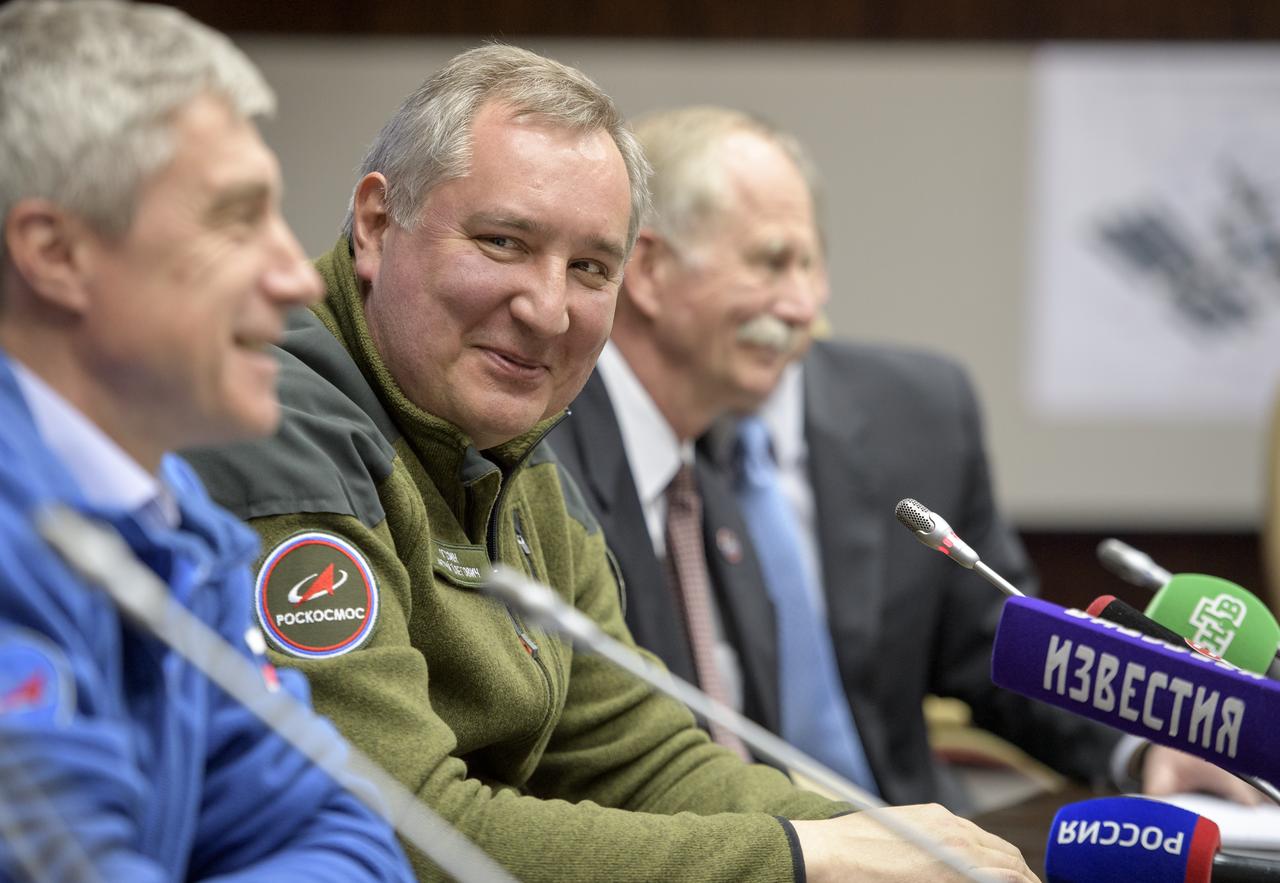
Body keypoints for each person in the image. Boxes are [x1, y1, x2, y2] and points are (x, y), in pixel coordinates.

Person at [186, 45, 1039, 882]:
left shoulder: (499, 434)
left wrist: (889, 843)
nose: (548, 309)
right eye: (503, 242)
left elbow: (641, 756)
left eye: (590, 268)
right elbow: (398, 830)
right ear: (377, 225)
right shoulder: (272, 416)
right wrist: (799, 858)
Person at [548, 105, 1262, 809]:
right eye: (771, 263)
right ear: (650, 271)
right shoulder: (588, 447)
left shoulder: (917, 412)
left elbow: (997, 642)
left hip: (913, 822)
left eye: (811, 262)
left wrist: (1144, 745)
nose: (803, 304)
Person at [0, 2, 414, 879]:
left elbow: (349, 837)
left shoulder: (173, 507)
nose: (297, 275)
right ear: (56, 253)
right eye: (236, 219)